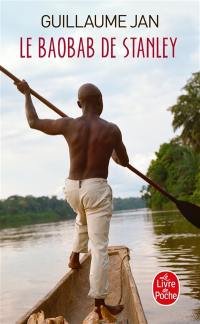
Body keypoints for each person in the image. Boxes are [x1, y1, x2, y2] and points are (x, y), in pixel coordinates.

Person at [15, 80, 129, 318]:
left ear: (79, 104)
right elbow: (124, 160)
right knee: (99, 248)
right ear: (100, 103)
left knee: (82, 215)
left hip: (72, 189)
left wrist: (27, 94)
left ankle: (74, 256)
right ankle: (99, 303)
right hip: (96, 188)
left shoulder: (69, 124)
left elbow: (33, 122)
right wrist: (114, 152)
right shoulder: (112, 130)